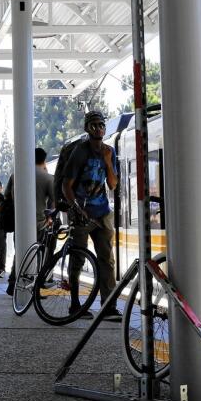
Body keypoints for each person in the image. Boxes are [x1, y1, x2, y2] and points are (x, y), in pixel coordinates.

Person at [60, 111, 119, 320]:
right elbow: (66, 185)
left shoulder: (109, 151)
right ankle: (75, 304)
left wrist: (108, 162)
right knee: (77, 259)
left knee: (107, 259)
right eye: (93, 125)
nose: (98, 128)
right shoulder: (79, 152)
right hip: (81, 214)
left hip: (103, 212)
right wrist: (76, 208)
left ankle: (108, 306)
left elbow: (112, 184)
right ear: (87, 128)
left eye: (101, 124)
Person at [3, 147, 56, 294]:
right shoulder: (48, 178)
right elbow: (53, 201)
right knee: (39, 255)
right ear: (43, 160)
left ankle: (13, 283)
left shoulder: (16, 175)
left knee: (20, 251)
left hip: (19, 222)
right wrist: (50, 217)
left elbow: (7, 196)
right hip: (40, 223)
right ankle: (36, 286)